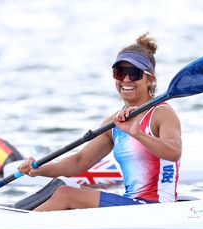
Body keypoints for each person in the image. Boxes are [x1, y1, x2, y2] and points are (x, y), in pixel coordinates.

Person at [18, 32, 182, 211]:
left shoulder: (161, 112)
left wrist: (138, 134)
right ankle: (18, 217)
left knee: (66, 194)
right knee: (63, 184)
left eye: (134, 73)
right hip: (132, 204)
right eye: (120, 73)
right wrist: (39, 169)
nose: (126, 79)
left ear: (150, 78)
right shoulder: (114, 123)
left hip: (157, 207)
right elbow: (80, 161)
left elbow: (173, 152)